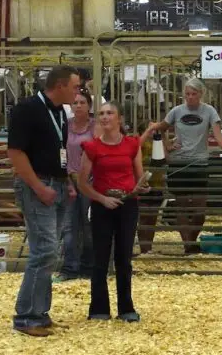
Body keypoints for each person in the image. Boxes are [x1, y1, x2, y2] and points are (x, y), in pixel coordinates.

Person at [8, 65, 79, 337]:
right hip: (37, 184)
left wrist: (67, 182)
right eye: (74, 86)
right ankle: (26, 316)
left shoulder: (59, 112)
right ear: (59, 85)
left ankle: (40, 311)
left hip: (57, 184)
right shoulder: (27, 109)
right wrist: (37, 186)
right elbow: (15, 152)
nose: (78, 91)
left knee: (50, 250)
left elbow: (58, 151)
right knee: (44, 250)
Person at [142, 78, 222, 254]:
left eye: (193, 94)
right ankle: (188, 245)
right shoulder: (176, 111)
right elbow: (159, 128)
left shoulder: (209, 111)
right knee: (181, 206)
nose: (190, 97)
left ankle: (191, 240)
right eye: (187, 94)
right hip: (178, 162)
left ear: (200, 94)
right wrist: (166, 147)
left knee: (199, 210)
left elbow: (218, 136)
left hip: (199, 163)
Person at [78, 101, 148, 322]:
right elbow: (82, 183)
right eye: (101, 113)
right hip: (102, 205)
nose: (105, 117)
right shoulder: (92, 147)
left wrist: (142, 187)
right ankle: (98, 308)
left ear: (120, 119)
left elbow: (140, 176)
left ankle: (126, 307)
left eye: (110, 113)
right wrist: (102, 199)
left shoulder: (132, 145)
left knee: (124, 256)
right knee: (100, 256)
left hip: (127, 204)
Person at [54, 89, 97, 282]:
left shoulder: (95, 126)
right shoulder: (65, 125)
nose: (78, 106)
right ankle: (70, 267)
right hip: (69, 179)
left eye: (82, 102)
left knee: (89, 226)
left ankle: (89, 266)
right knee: (69, 225)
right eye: (75, 103)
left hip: (90, 181)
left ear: (89, 106)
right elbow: (60, 151)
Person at [136, 119, 168, 255]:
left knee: (153, 217)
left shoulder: (158, 143)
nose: (153, 132)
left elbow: (166, 158)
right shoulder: (139, 143)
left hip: (157, 183)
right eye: (150, 129)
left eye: (155, 129)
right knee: (144, 216)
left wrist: (163, 138)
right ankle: (144, 247)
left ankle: (148, 247)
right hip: (144, 182)